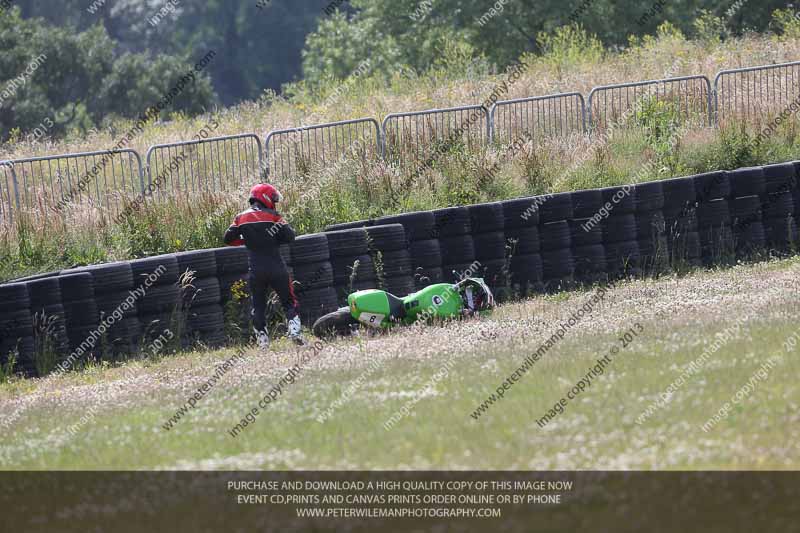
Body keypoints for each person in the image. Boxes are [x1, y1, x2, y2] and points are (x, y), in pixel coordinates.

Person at [224, 183, 302, 348]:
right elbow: (290, 236)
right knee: (289, 301)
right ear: (265, 197)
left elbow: (228, 238)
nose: (274, 202)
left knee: (258, 305)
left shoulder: (240, 217)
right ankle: (295, 332)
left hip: (255, 270)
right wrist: (274, 239)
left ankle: (263, 342)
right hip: (276, 267)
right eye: (273, 198)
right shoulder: (274, 216)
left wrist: (246, 240)